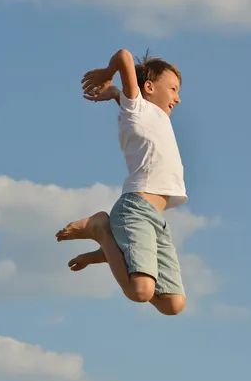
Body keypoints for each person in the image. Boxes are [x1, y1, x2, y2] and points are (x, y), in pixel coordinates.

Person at [56, 49, 188, 316]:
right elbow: (124, 56)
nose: (178, 98)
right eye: (173, 89)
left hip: (156, 219)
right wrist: (108, 74)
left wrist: (116, 94)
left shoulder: (149, 115)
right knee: (141, 291)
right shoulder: (138, 107)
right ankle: (102, 228)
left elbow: (133, 109)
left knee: (173, 304)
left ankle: (113, 250)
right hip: (136, 209)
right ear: (148, 87)